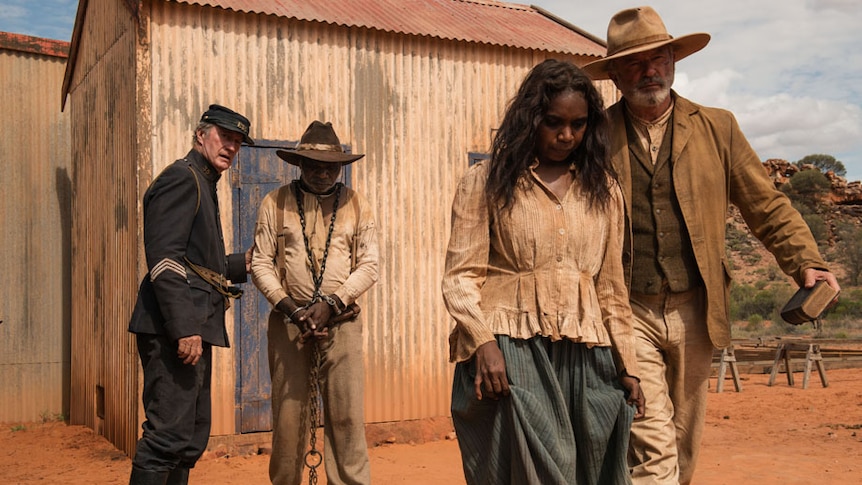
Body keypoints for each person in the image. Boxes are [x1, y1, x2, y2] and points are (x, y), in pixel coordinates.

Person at [582, 7, 841, 485]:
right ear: (615, 74)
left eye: (659, 57)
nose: (650, 71)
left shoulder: (717, 127)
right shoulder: (594, 135)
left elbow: (765, 204)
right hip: (625, 310)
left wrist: (805, 261)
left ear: (675, 60)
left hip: (697, 310)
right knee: (652, 441)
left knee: (683, 443)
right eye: (636, 63)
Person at [441, 59, 645, 485]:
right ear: (530, 118)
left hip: (586, 353)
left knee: (592, 468)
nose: (566, 135)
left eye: (578, 124)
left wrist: (629, 365)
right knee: (541, 470)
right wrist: (483, 344)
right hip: (511, 350)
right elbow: (461, 275)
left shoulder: (603, 189)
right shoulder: (487, 181)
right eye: (553, 122)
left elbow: (610, 288)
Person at [127, 104, 255, 485]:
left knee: (188, 437)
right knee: (167, 436)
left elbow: (198, 264)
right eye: (224, 136)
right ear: (201, 135)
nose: (231, 147)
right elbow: (165, 261)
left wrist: (241, 263)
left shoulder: (203, 182)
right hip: (176, 329)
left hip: (192, 326)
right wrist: (184, 328)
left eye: (237, 141)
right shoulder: (182, 179)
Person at [250, 121, 379, 485]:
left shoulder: (357, 205)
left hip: (343, 324)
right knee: (289, 421)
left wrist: (333, 303)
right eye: (313, 166)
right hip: (291, 326)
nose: (322, 173)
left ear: (340, 167)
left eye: (330, 167)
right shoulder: (274, 203)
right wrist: (291, 308)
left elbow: (369, 265)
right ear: (299, 165)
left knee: (347, 420)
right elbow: (261, 261)